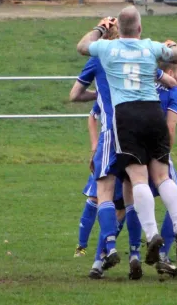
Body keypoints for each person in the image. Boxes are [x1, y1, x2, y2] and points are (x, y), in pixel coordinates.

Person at [76, 7, 177, 269]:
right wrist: (172, 45)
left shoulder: (107, 49)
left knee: (138, 178)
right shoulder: (150, 47)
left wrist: (101, 29)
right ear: (139, 28)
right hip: (152, 112)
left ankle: (151, 234)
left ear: (120, 29)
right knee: (162, 176)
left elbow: (82, 46)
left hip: (126, 116)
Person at [71, 20, 145, 279]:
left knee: (102, 193)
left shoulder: (99, 56)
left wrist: (98, 95)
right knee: (132, 195)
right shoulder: (139, 54)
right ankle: (136, 253)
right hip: (138, 130)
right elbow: (164, 80)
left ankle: (107, 249)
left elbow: (74, 94)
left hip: (111, 132)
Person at [74, 103, 126, 258]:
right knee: (95, 197)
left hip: (128, 149)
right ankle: (81, 246)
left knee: (122, 205)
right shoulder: (107, 90)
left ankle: (105, 250)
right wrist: (95, 145)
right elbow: (92, 115)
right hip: (107, 149)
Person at [152, 60, 177, 277]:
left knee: (124, 201)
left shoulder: (148, 84)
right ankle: (162, 253)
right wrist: (166, 155)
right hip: (157, 151)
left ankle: (107, 253)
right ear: (170, 72)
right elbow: (170, 128)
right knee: (175, 193)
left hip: (131, 146)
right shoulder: (174, 92)